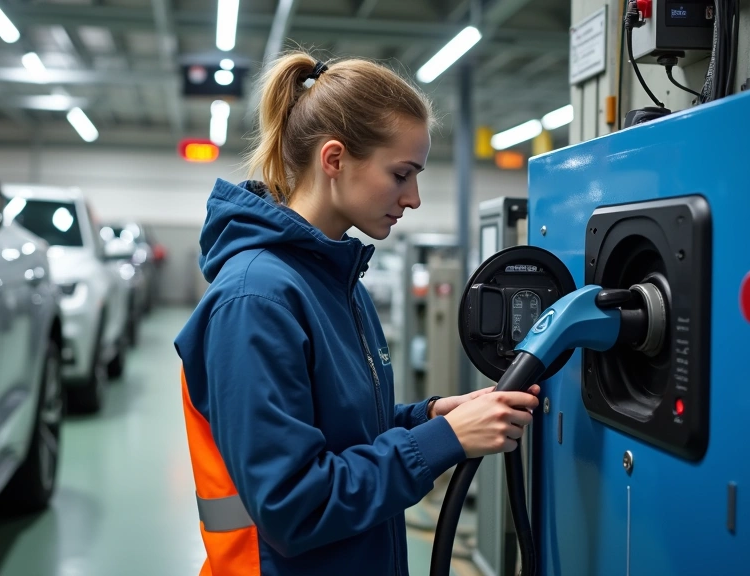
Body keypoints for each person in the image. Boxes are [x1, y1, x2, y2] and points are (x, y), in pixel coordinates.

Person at [174, 53, 541, 576]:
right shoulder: (256, 300)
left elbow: (338, 427)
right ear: (334, 159)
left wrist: (431, 417)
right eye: (400, 174)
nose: (413, 198)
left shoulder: (336, 279)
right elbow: (293, 507)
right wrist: (446, 441)